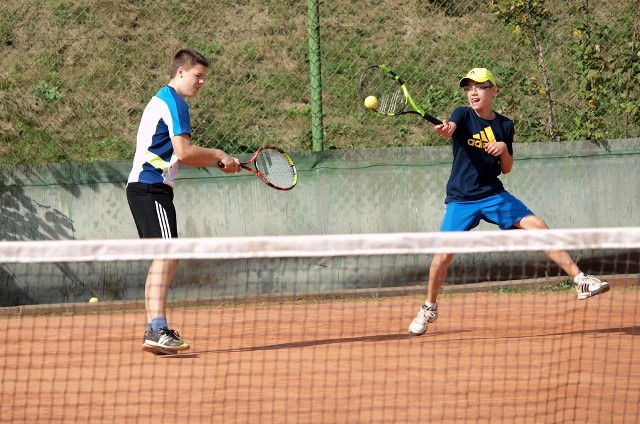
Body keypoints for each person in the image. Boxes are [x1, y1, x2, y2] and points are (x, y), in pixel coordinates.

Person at [408, 67, 610, 336]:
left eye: (479, 87)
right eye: (469, 88)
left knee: (538, 226)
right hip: (462, 199)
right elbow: (451, 127)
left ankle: (580, 280)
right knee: (442, 256)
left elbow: (507, 168)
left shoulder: (505, 125)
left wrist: (503, 149)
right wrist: (448, 128)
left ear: (493, 91)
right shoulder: (463, 114)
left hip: (493, 194)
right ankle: (429, 307)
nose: (473, 93)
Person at [126, 48, 241, 354]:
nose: (201, 82)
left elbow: (179, 153)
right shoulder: (174, 102)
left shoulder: (164, 98)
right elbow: (185, 152)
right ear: (180, 72)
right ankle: (157, 328)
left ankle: (155, 328)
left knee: (165, 255)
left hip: (146, 189)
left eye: (204, 78)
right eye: (197, 76)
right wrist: (219, 155)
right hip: (150, 188)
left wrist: (220, 161)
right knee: (167, 254)